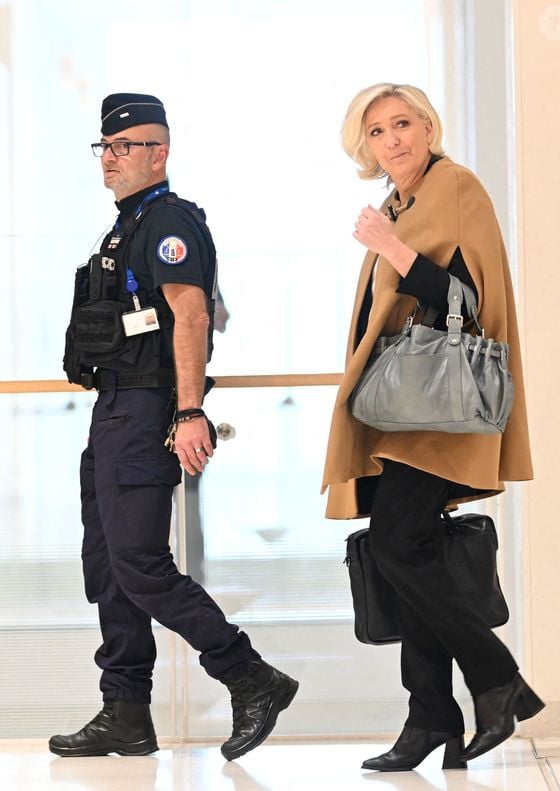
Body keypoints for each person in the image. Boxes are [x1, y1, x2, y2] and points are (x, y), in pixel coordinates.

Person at [52, 92, 297, 760]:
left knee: (141, 564)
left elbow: (192, 318)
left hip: (146, 409)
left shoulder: (169, 221)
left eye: (124, 146)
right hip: (112, 409)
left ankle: (249, 675)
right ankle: (125, 710)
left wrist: (189, 411)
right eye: (104, 147)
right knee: (107, 567)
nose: (110, 158)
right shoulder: (124, 227)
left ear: (159, 152)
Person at [321, 83, 544, 772]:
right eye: (379, 130)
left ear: (427, 126)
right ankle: (430, 720)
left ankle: (496, 676)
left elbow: (466, 301)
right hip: (400, 409)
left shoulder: (455, 188)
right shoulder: (398, 202)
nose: (394, 139)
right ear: (366, 147)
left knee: (396, 544)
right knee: (404, 547)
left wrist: (389, 246)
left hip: (438, 405)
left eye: (404, 123)